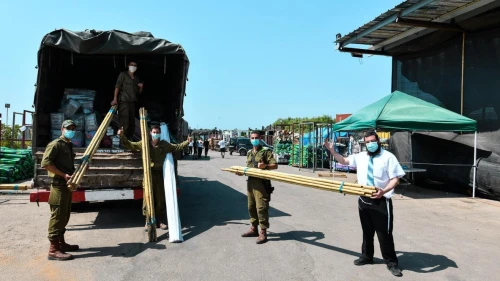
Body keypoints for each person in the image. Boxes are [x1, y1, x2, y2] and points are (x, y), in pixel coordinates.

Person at [324, 130, 405, 277]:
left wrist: (384, 190)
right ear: (364, 143)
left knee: (384, 234)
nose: (370, 144)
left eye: (372, 141)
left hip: (381, 201)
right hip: (363, 199)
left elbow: (395, 179)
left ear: (378, 141)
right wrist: (332, 150)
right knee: (367, 232)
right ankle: (367, 256)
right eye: (367, 142)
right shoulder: (360, 157)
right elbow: (343, 161)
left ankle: (391, 263)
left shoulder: (388, 157)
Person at [118, 125, 191, 230]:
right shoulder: (144, 144)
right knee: (147, 198)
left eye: (157, 132)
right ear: (150, 133)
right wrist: (122, 136)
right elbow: (131, 145)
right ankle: (148, 221)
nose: (155, 134)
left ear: (160, 134)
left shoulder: (164, 145)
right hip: (148, 174)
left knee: (160, 198)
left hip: (159, 175)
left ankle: (160, 221)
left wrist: (187, 142)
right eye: (154, 132)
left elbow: (176, 147)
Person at [41, 120, 80, 261]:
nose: (72, 131)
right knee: (57, 216)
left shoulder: (68, 145)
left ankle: (61, 244)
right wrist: (63, 175)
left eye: (73, 128)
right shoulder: (55, 144)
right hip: (58, 185)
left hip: (66, 185)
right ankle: (53, 249)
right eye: (69, 128)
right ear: (62, 129)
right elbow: (46, 163)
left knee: (64, 215)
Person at [238, 131, 277, 244]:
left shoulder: (265, 151)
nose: (254, 139)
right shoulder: (250, 152)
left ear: (260, 139)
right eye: (252, 138)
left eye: (256, 137)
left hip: (261, 184)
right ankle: (254, 228)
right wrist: (241, 172)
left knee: (261, 208)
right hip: (251, 183)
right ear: (250, 139)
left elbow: (275, 165)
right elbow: (248, 168)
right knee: (251, 207)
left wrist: (265, 166)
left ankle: (263, 232)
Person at [111, 61, 144, 139]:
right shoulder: (123, 75)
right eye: (131, 65)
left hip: (132, 102)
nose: (133, 66)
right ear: (128, 66)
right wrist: (115, 99)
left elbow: (139, 92)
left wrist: (141, 87)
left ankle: (128, 139)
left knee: (131, 122)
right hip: (124, 101)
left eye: (135, 65)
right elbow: (117, 87)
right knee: (124, 121)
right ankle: (121, 139)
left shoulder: (136, 78)